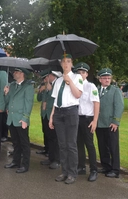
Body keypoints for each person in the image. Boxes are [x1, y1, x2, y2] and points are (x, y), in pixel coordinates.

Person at [49, 53, 83, 184]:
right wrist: (52, 116)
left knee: (71, 144)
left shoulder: (77, 77)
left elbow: (78, 94)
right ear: (61, 64)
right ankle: (64, 171)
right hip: (58, 113)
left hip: (71, 112)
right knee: (62, 145)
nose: (66, 63)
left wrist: (69, 82)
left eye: (68, 61)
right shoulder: (57, 81)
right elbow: (56, 100)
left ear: (72, 63)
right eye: (63, 61)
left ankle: (72, 173)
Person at [3, 68, 34, 173]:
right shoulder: (12, 85)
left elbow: (28, 104)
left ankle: (25, 165)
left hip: (21, 119)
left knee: (24, 143)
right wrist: (6, 93)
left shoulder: (28, 87)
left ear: (22, 74)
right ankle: (16, 161)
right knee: (15, 142)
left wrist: (25, 118)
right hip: (12, 118)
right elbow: (7, 101)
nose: (14, 74)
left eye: (16, 72)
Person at [96, 68, 124, 178]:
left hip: (110, 123)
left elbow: (119, 106)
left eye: (109, 78)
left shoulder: (115, 90)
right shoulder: (96, 90)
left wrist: (115, 121)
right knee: (102, 146)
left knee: (113, 147)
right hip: (99, 123)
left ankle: (115, 169)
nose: (107, 80)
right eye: (105, 78)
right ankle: (106, 166)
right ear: (100, 79)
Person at [74, 62, 99, 182]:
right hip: (77, 118)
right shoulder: (74, 86)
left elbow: (96, 103)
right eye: (79, 72)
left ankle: (94, 170)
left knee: (89, 145)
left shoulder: (91, 86)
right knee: (79, 144)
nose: (81, 74)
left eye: (83, 72)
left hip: (88, 119)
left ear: (87, 74)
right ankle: (81, 167)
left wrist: (95, 121)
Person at [38, 69, 61, 169]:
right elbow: (39, 98)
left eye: (48, 76)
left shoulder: (57, 84)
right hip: (45, 114)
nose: (46, 79)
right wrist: (41, 90)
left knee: (55, 138)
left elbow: (57, 98)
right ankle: (51, 158)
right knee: (50, 137)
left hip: (53, 114)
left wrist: (50, 89)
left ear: (52, 76)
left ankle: (57, 160)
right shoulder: (47, 85)